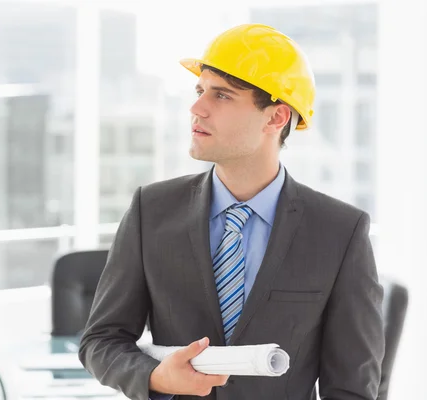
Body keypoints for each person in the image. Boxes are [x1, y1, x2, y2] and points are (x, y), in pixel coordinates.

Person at [78, 23, 385, 400]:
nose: (197, 108)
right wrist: (157, 376)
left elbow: (352, 389)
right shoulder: (151, 211)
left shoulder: (339, 231)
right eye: (200, 90)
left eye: (221, 96)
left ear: (276, 118)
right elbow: (102, 340)